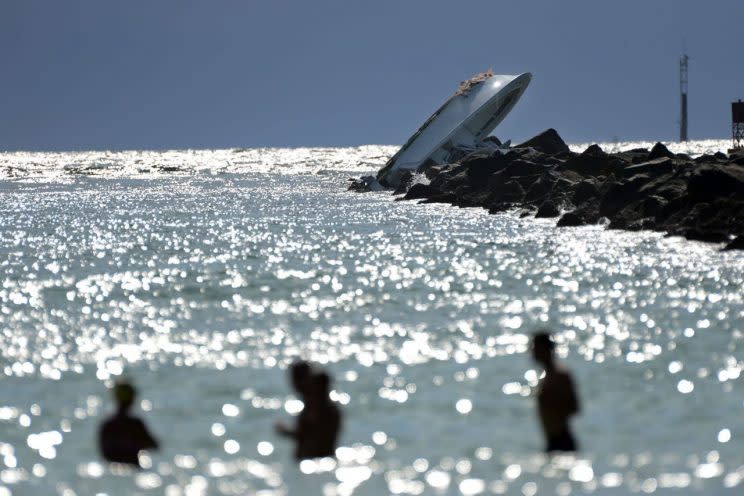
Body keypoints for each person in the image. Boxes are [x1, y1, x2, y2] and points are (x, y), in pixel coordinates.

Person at [276, 365, 342, 460]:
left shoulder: (319, 409)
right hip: (322, 459)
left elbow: (309, 435)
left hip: (313, 460)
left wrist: (285, 431)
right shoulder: (330, 409)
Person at [531, 331, 580, 453]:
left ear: (545, 349)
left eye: (535, 347)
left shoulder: (560, 376)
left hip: (562, 440)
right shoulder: (544, 377)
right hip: (551, 440)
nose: (532, 351)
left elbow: (575, 407)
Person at [99, 380, 159, 467]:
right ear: (132, 398)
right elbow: (154, 446)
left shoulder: (107, 425)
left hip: (111, 469)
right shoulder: (135, 424)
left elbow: (103, 453)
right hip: (133, 468)